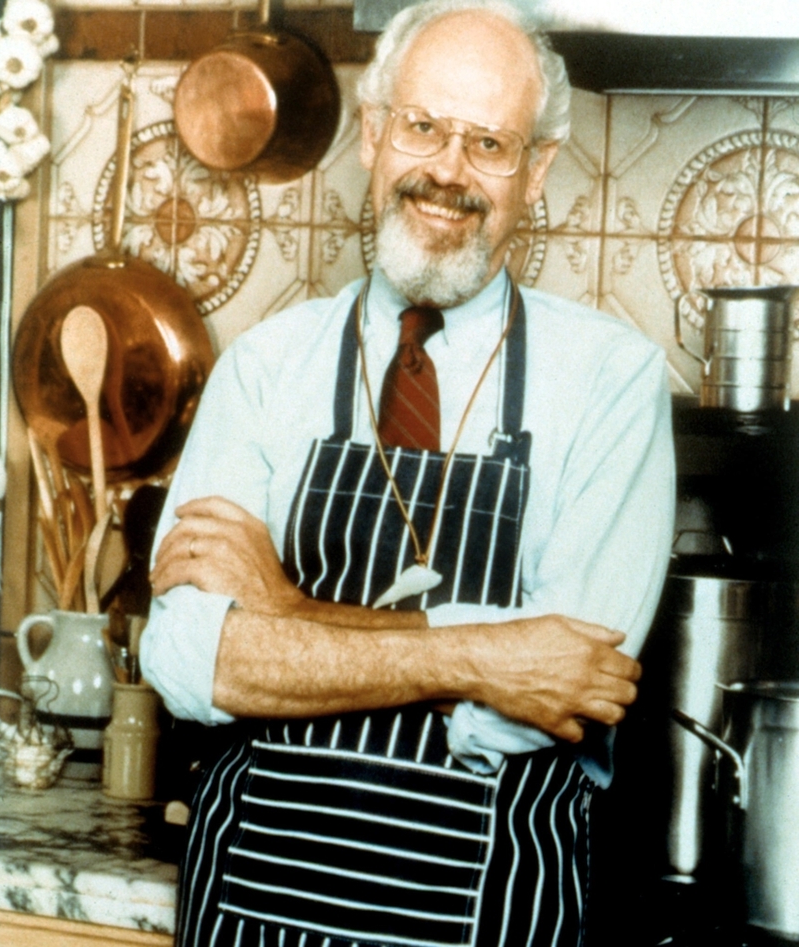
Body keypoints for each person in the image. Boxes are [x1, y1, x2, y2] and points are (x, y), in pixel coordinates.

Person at [142, 1, 675, 944]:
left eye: (489, 143)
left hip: (483, 912)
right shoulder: (265, 366)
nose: (448, 172)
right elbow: (192, 664)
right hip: (254, 904)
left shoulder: (612, 382)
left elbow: (557, 691)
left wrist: (286, 616)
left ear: (538, 170)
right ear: (375, 135)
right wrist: (484, 657)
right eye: (423, 126)